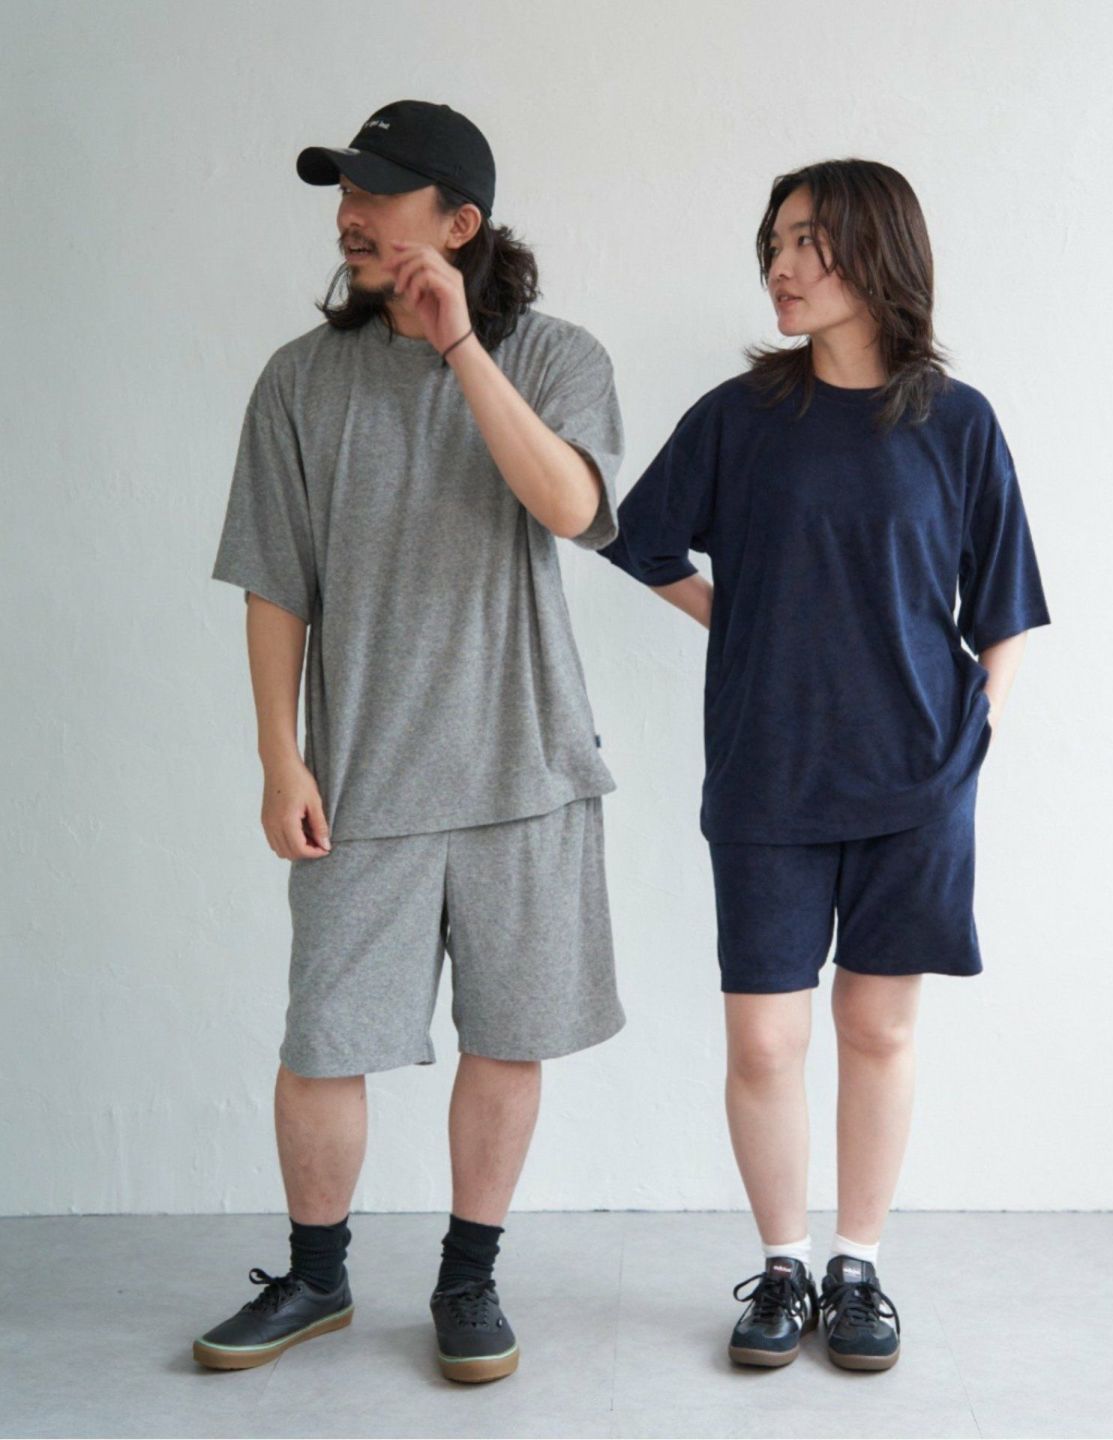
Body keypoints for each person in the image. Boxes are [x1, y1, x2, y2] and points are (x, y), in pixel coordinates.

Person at [197, 99, 626, 1383]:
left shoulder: (557, 357)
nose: (351, 214)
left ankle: (468, 1280)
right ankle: (316, 1278)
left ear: (460, 222)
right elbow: (274, 583)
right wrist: (279, 757)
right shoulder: (299, 380)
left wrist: (461, 350)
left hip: (526, 770)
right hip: (362, 780)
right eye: (344, 191)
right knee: (323, 1044)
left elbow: (570, 506)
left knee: (507, 1036)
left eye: (378, 193)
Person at [599, 159, 1051, 1373]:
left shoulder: (956, 421)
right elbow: (639, 539)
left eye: (808, 242)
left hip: (918, 779)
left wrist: (976, 735)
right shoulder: (740, 417)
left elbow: (1005, 609)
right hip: (769, 771)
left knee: (877, 1029)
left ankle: (858, 1268)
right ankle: (781, 1266)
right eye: (775, 244)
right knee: (764, 1041)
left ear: (877, 252)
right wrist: (740, 623)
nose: (781, 267)